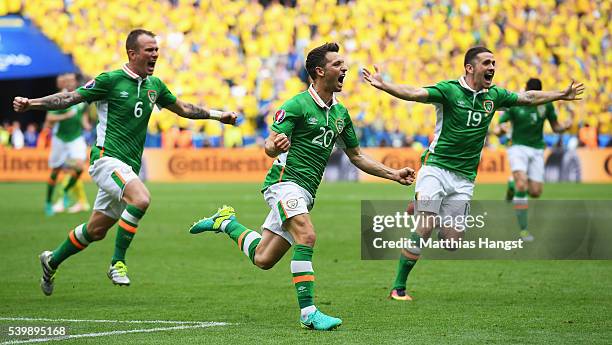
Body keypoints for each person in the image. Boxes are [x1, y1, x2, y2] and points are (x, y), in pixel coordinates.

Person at [188, 43, 415, 330]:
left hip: (305, 192)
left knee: (263, 258)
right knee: (306, 235)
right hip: (284, 184)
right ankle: (308, 312)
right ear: (320, 72)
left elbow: (356, 156)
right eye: (338, 64)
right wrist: (274, 146)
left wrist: (393, 174)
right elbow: (271, 144)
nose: (345, 69)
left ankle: (226, 223)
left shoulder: (341, 114)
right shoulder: (296, 105)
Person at [13, 29, 237, 296]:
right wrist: (32, 103)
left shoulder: (155, 86)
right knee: (141, 199)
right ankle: (117, 263)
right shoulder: (110, 80)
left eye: (156, 49)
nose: (155, 54)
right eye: (149, 50)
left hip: (127, 166)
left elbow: (184, 109)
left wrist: (218, 115)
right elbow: (70, 97)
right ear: (133, 54)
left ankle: (51, 261)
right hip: (106, 159)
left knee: (95, 230)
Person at [362, 46, 584, 301]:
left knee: (452, 243)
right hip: (437, 168)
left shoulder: (495, 96)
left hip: (464, 178)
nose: (492, 67)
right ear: (470, 68)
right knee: (425, 225)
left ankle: (421, 203)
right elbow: (413, 92)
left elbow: (528, 98)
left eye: (494, 63)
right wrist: (384, 85)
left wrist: (560, 95)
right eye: (487, 63)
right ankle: (398, 288)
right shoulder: (449, 91)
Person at [495, 78, 572, 241]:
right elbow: (498, 128)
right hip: (517, 147)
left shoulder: (547, 105)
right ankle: (523, 230)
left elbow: (555, 127)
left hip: (537, 149)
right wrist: (500, 130)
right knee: (522, 183)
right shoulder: (516, 103)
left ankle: (511, 185)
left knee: (535, 192)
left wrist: (564, 127)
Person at [43, 73, 92, 216]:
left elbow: (82, 115)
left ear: (75, 82)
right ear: (64, 83)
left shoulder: (81, 99)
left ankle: (65, 191)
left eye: (72, 80)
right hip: (60, 139)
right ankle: (48, 202)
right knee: (55, 171)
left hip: (76, 138)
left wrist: (86, 124)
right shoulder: (60, 99)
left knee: (79, 168)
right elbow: (49, 118)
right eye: (67, 81)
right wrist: (65, 116)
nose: (70, 83)